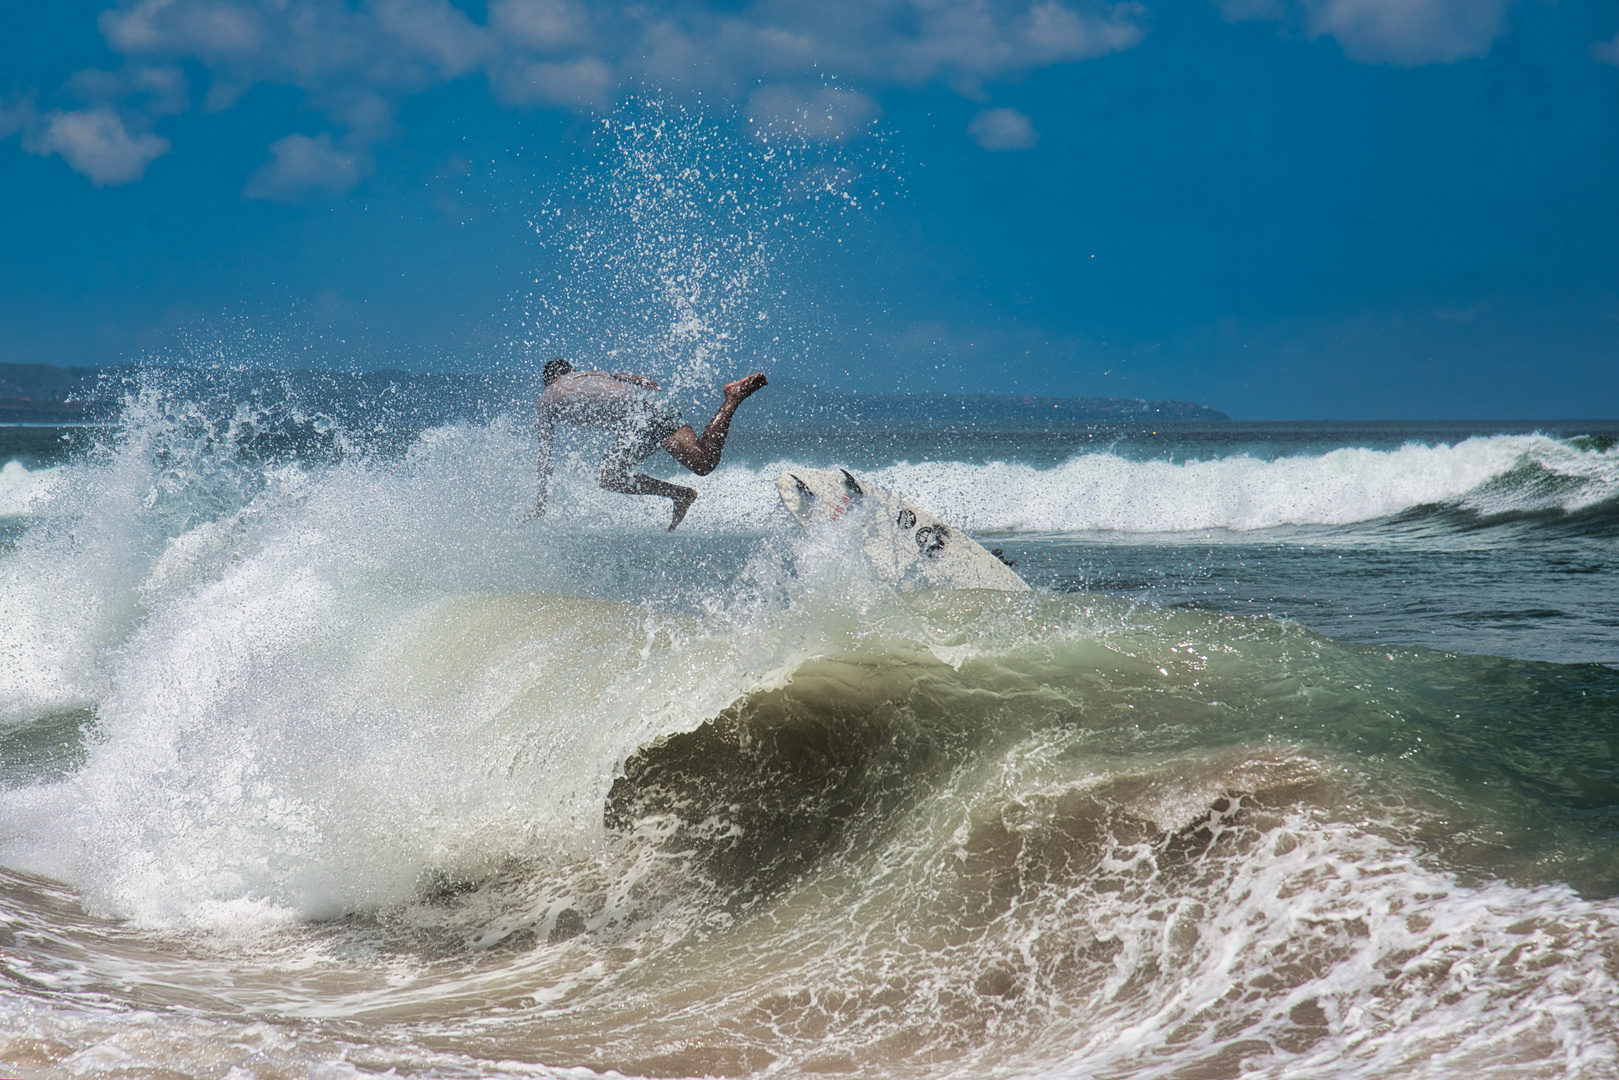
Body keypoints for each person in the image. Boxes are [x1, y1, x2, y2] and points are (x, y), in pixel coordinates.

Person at [531, 358, 768, 531]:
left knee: (608, 477)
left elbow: (545, 457)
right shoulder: (591, 375)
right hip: (656, 404)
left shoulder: (547, 398)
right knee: (703, 463)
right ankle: (733, 396)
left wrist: (541, 503)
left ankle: (679, 494)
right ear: (571, 371)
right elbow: (644, 381)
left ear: (548, 381)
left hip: (639, 418)